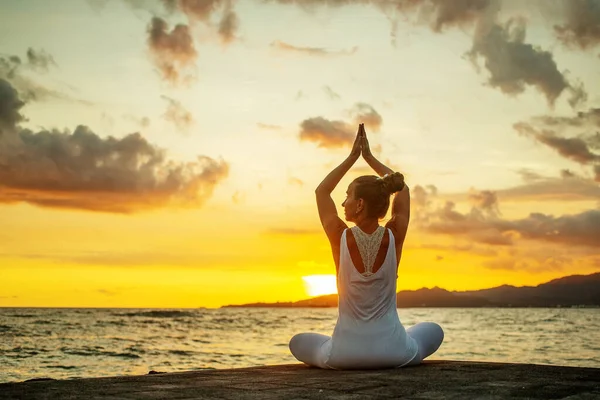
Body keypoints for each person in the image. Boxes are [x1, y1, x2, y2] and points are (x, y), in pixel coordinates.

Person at [289, 123, 444, 369]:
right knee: (433, 330)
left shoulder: (340, 236)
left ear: (359, 204)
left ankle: (349, 344)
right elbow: (403, 191)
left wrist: (352, 158)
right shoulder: (395, 235)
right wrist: (371, 160)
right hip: (394, 352)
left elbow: (322, 192)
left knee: (297, 342)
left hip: (343, 355)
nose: (343, 203)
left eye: (348, 196)